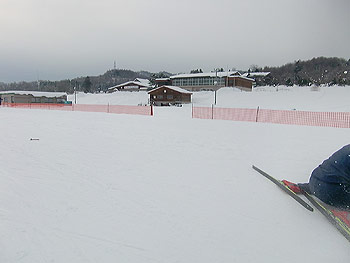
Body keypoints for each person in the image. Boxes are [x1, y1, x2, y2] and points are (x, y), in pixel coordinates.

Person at [283, 144, 350, 209]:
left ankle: (300, 187)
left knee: (333, 176)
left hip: (314, 182)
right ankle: (344, 214)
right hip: (332, 193)